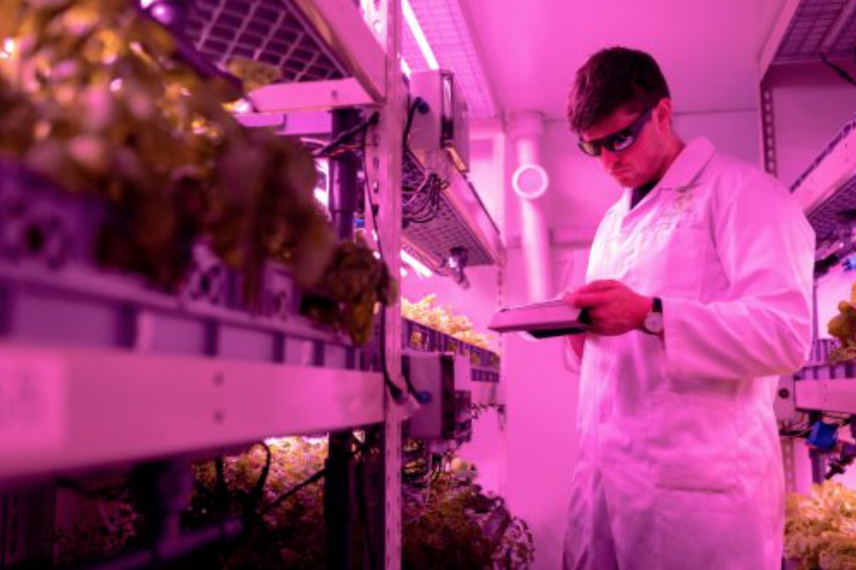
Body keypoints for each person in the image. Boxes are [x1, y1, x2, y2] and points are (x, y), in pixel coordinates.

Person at [561, 46, 815, 570]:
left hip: (699, 501)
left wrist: (653, 313)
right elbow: (623, 359)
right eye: (595, 149)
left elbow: (786, 334)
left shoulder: (745, 195)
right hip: (606, 486)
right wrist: (580, 336)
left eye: (619, 139)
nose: (609, 161)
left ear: (662, 112)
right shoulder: (612, 223)